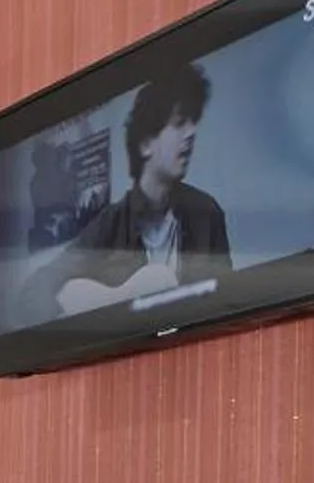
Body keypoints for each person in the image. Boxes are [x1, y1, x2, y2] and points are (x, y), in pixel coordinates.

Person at [36, 63, 234, 318]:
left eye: (193, 121)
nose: (191, 133)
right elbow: (38, 286)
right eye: (179, 123)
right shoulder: (110, 223)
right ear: (144, 144)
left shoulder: (207, 213)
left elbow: (229, 301)